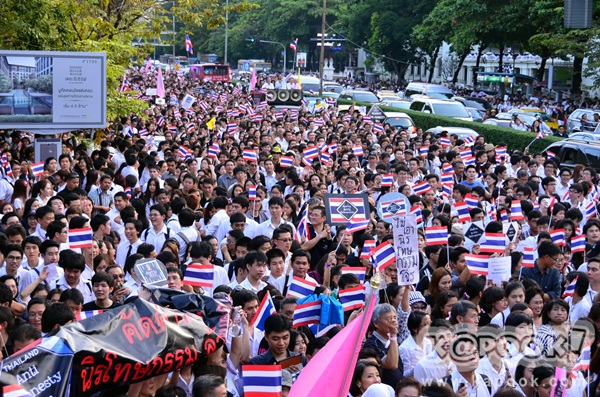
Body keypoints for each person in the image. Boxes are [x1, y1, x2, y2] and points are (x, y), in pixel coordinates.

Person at [362, 304, 402, 388]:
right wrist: (393, 335)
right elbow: (392, 365)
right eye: (388, 319)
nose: (393, 322)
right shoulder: (371, 344)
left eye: (394, 318)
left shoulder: (392, 340)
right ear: (376, 323)